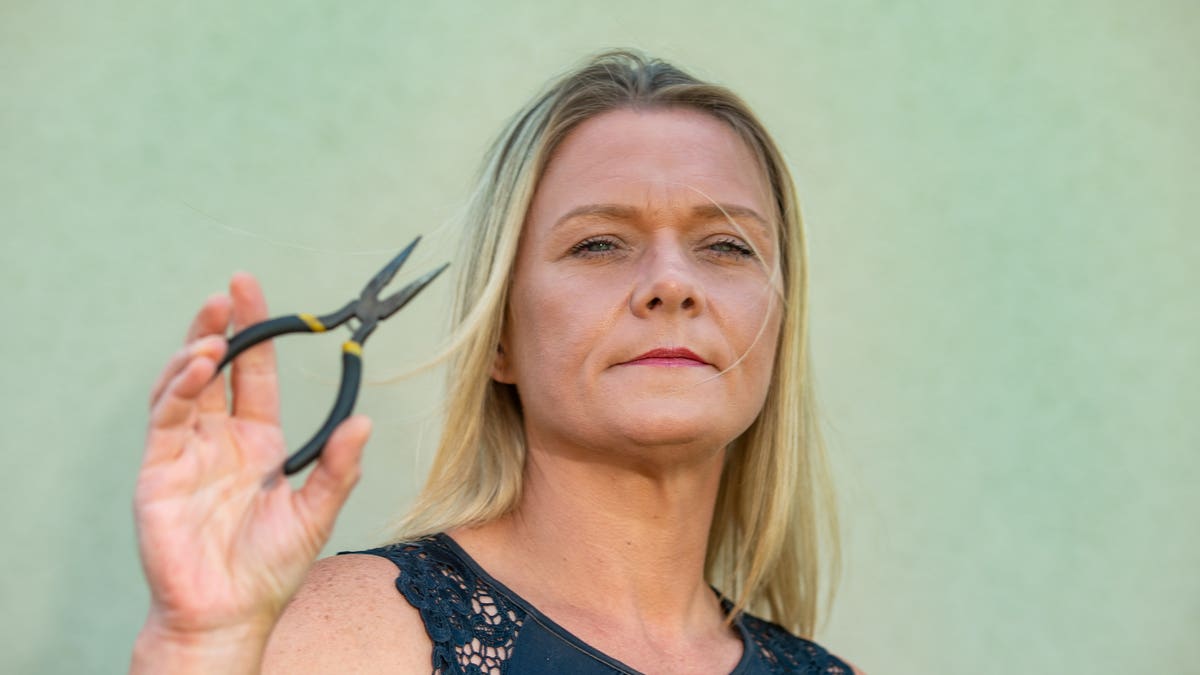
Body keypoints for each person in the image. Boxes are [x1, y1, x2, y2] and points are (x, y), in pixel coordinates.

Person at [131, 50, 863, 674]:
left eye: (727, 246)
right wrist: (199, 646)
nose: (672, 283)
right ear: (501, 337)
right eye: (599, 243)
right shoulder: (357, 636)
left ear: (777, 324)